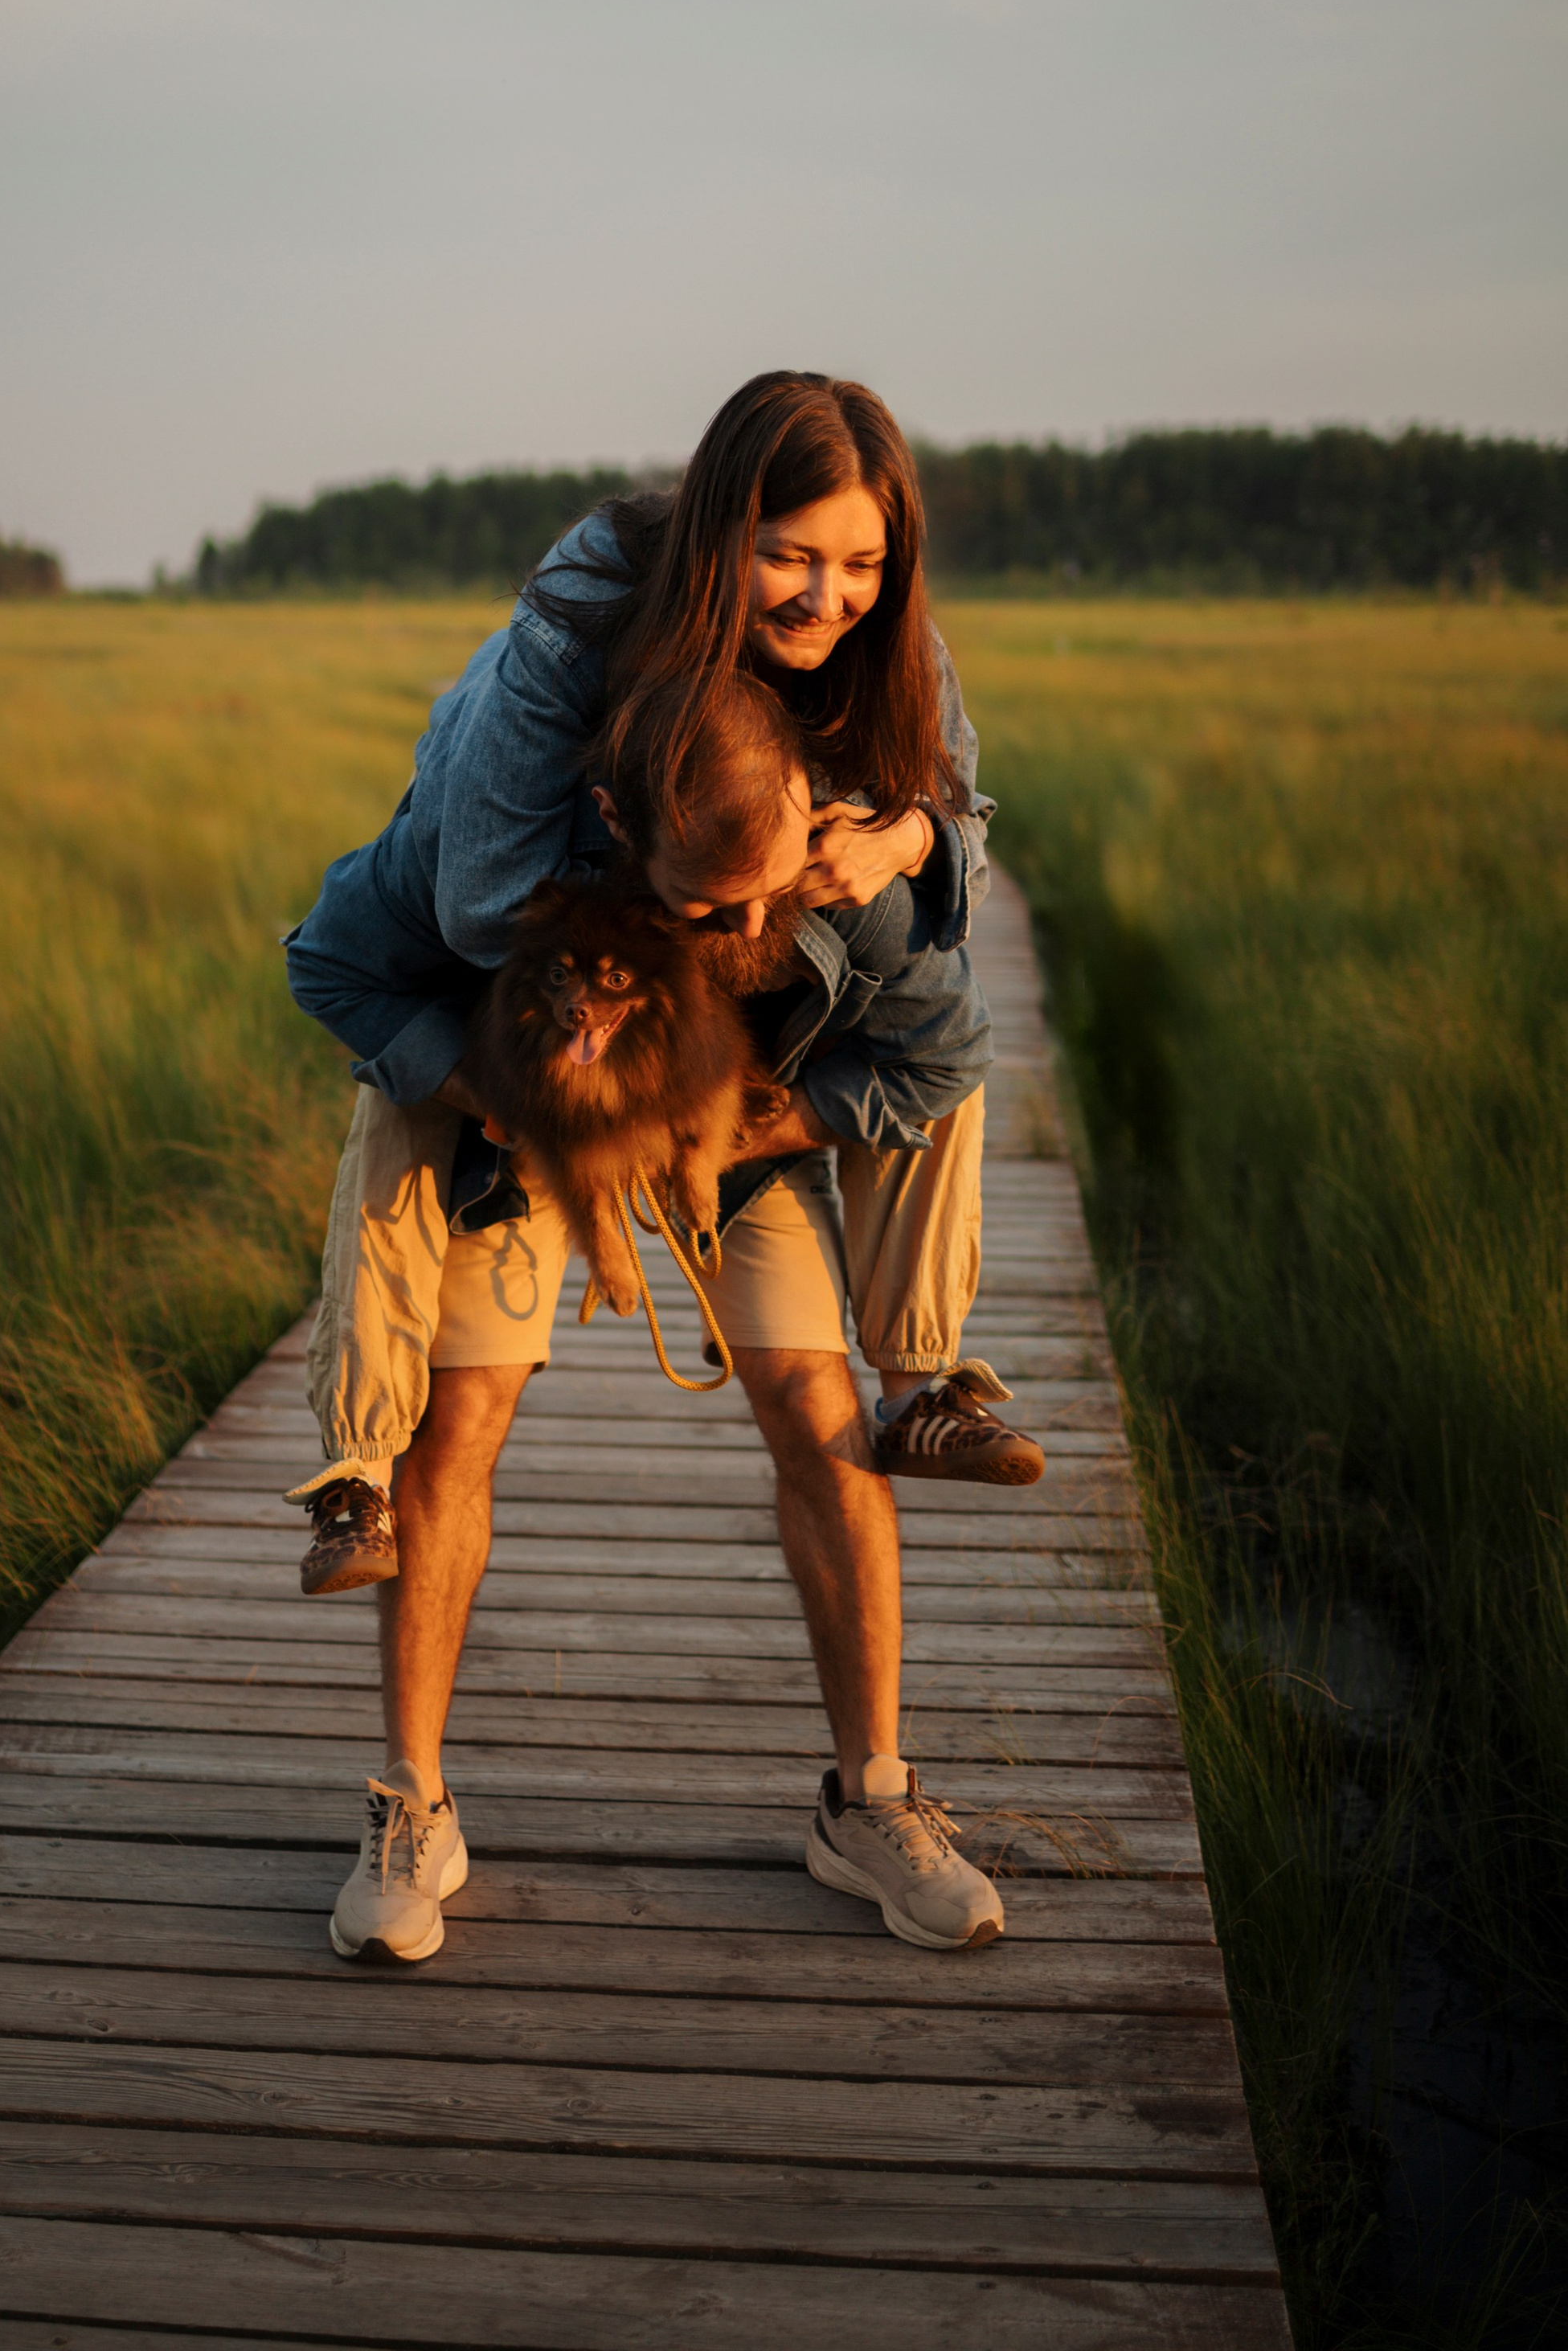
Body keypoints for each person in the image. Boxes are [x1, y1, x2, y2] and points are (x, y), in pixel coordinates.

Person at [280, 371, 1038, 1964]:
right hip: (527, 1062)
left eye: (860, 561)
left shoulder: (877, 666)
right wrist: (564, 1057)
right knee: (456, 1423)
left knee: (819, 1410)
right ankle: (410, 1802)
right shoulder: (576, 637)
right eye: (791, 556)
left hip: (727, 1094)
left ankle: (870, 1798)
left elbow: (956, 832)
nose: (828, 598)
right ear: (716, 537)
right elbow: (468, 910)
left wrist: (895, 844)